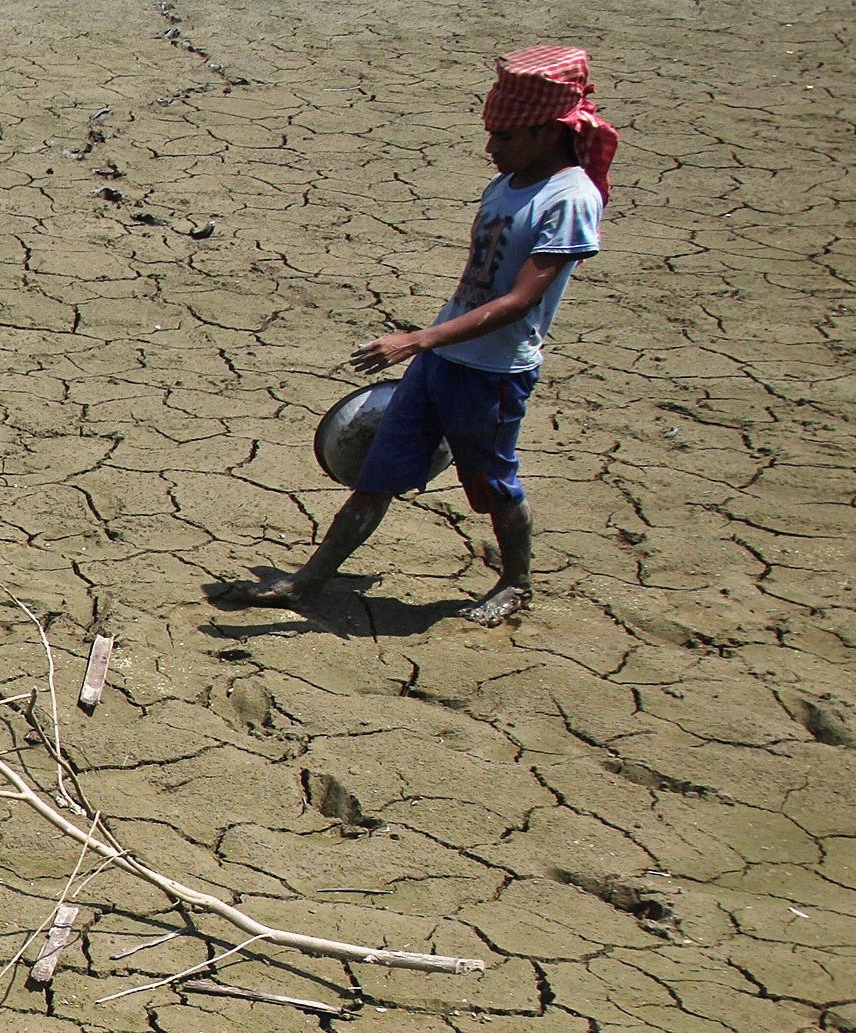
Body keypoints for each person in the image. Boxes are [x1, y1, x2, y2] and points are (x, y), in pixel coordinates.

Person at [216, 47, 614, 628]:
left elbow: (520, 300)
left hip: (492, 374)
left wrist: (418, 340)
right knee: (378, 471)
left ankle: (516, 580)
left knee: (492, 482)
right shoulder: (506, 183)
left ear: (545, 130)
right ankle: (309, 581)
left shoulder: (570, 198)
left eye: (503, 135)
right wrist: (431, 347)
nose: (490, 148)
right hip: (441, 362)